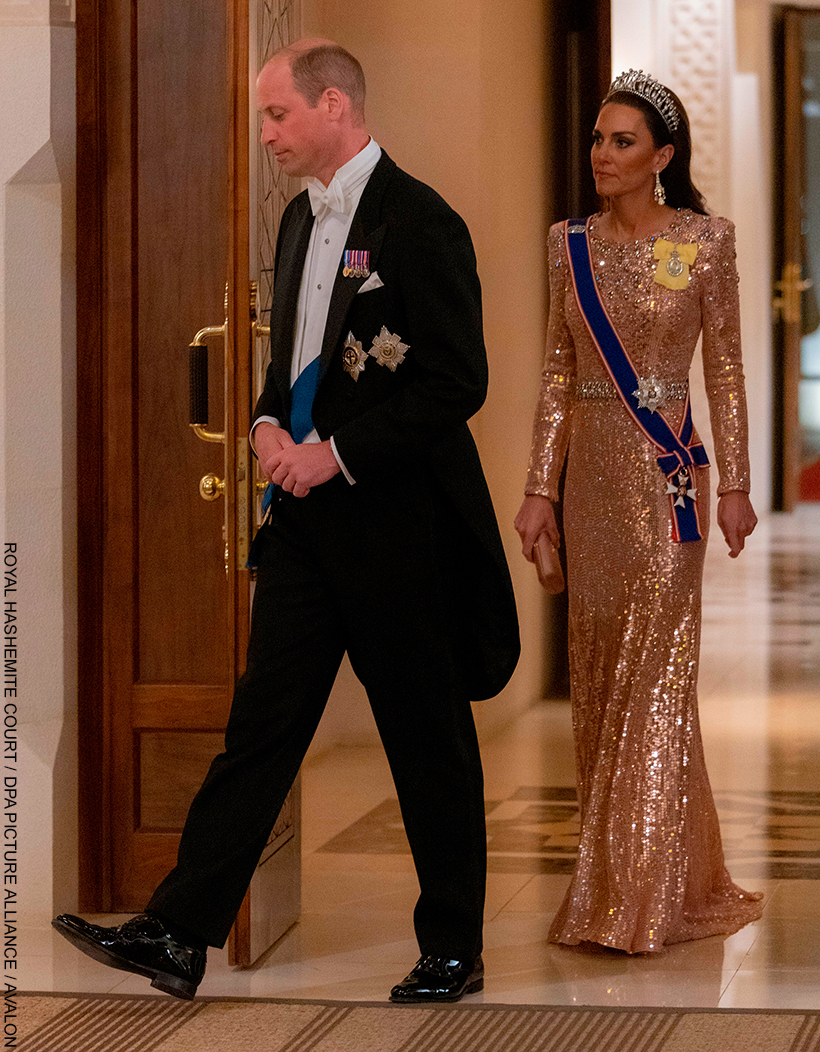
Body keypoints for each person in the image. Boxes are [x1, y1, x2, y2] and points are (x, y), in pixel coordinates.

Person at [54, 39, 519, 1001]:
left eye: (276, 114)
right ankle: (180, 932)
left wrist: (336, 454)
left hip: (399, 529)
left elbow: (456, 383)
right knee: (261, 725)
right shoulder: (298, 222)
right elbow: (289, 357)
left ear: (335, 106)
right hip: (307, 530)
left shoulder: (421, 222)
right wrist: (268, 423)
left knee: (423, 736)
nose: (263, 133)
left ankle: (453, 950)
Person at [514, 70, 763, 954]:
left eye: (623, 142)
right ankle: (658, 875)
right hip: (590, 489)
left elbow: (726, 371)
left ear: (662, 157)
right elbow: (552, 374)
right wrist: (540, 486)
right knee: (599, 681)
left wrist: (735, 483)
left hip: (669, 485)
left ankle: (633, 905)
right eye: (596, 140)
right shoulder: (566, 245)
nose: (602, 156)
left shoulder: (705, 241)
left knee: (654, 686)